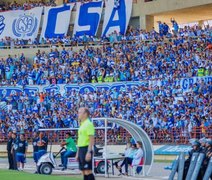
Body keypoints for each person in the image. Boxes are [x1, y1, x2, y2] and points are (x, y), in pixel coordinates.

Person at [76, 107, 95, 180]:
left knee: (88, 171)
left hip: (86, 148)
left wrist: (89, 152)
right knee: (83, 171)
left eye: (80, 112)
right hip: (81, 149)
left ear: (85, 114)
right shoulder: (82, 125)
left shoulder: (88, 124)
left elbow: (91, 139)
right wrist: (78, 153)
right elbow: (80, 140)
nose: (78, 114)